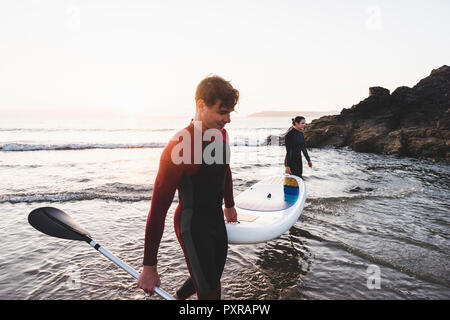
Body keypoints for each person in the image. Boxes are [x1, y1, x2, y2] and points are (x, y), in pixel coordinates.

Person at [137, 75, 239, 300]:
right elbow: (158, 209)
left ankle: (176, 298)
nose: (228, 119)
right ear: (201, 105)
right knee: (211, 292)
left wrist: (229, 206)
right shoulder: (179, 147)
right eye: (223, 112)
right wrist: (149, 266)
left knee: (207, 277)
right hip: (193, 226)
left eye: (230, 112)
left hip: (215, 221)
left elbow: (225, 170)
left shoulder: (221, 134)